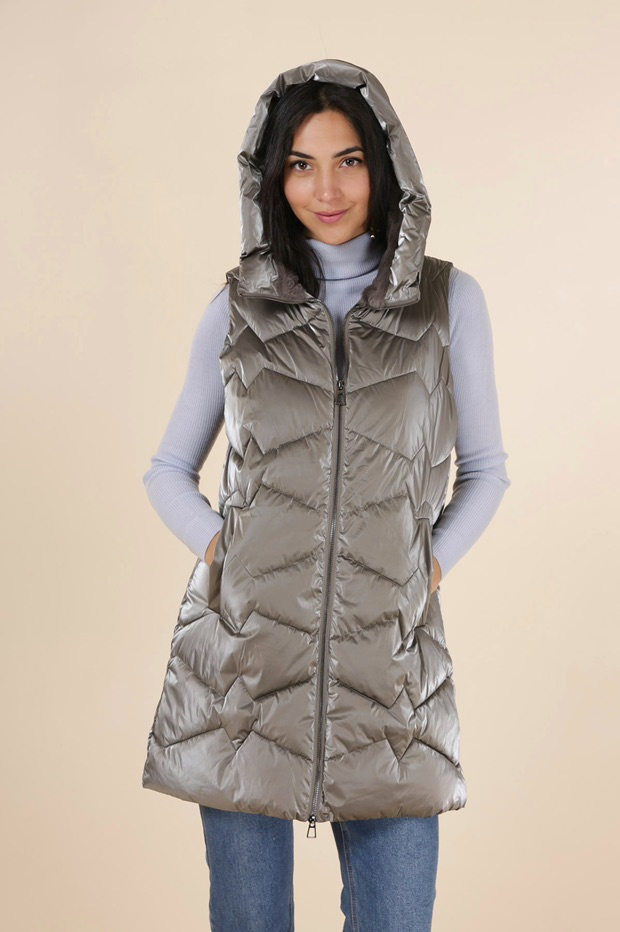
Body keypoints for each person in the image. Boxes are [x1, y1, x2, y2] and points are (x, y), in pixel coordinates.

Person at [141, 59, 511, 931]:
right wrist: (226, 555)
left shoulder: (448, 302)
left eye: (348, 161)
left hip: (390, 678)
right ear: (273, 178)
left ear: (385, 167)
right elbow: (166, 470)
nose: (328, 189)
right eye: (301, 165)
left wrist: (426, 568)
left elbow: (487, 469)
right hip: (243, 673)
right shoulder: (238, 308)